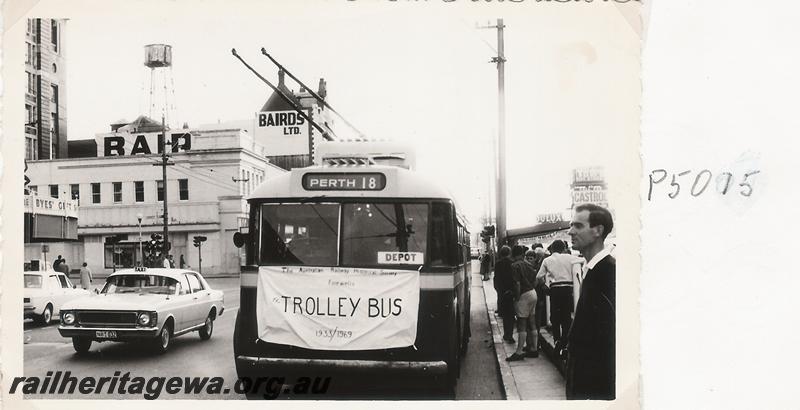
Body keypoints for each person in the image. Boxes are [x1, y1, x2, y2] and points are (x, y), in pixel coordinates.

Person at [565, 204, 615, 400]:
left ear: (598, 231)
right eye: (571, 226)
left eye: (578, 226)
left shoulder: (609, 273)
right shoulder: (592, 269)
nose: (570, 231)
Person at [536, 239, 582, 348]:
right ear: (564, 248)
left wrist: (544, 287)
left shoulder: (547, 260)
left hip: (555, 289)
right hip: (568, 289)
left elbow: (539, 276)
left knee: (555, 316)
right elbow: (584, 260)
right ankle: (565, 341)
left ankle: (557, 340)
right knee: (566, 316)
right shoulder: (570, 258)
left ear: (552, 249)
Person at [506, 247, 539, 361]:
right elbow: (535, 281)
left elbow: (517, 284)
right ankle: (534, 349)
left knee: (522, 323)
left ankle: (519, 352)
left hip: (524, 294)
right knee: (532, 321)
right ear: (523, 254)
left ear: (512, 255)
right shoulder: (529, 265)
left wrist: (517, 297)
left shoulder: (515, 266)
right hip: (533, 293)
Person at [492, 245, 516, 343]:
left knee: (506, 315)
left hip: (502, 292)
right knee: (511, 314)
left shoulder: (498, 264)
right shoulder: (512, 263)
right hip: (511, 291)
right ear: (509, 253)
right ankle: (509, 335)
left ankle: (507, 334)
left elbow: (496, 278)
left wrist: (499, 290)